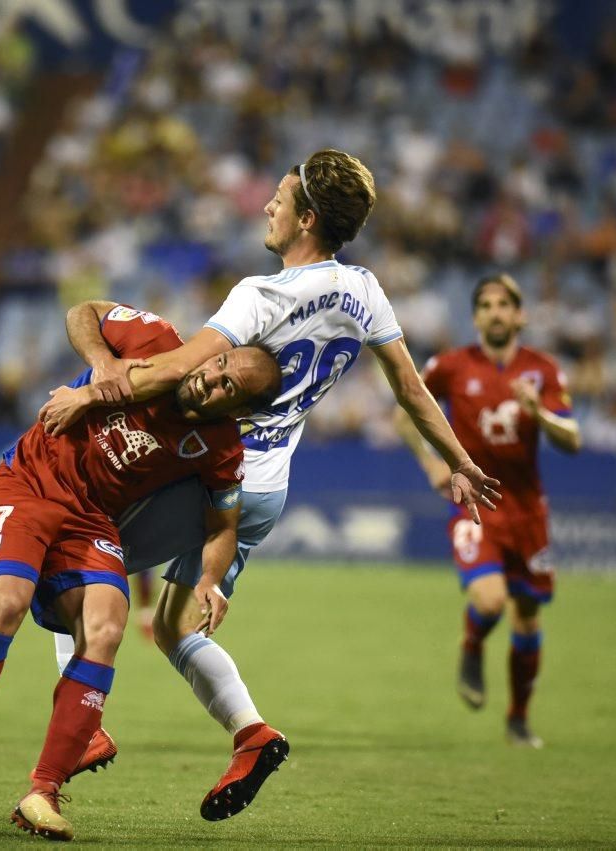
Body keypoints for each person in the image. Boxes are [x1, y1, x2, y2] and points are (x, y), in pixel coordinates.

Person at [38, 149, 502, 820]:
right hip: (269, 490)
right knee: (173, 626)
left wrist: (97, 388)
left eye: (279, 200)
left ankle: (83, 727)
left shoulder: (261, 296)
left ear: (307, 218)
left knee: (66, 560)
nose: (267, 207)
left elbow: (180, 369)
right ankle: (252, 734)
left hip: (211, 475)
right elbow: (409, 388)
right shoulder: (365, 289)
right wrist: (458, 457)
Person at [0, 304, 282, 840]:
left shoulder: (221, 447)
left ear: (241, 409)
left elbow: (222, 527)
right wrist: (101, 362)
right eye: (219, 364)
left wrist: (209, 579)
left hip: (90, 519)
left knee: (107, 628)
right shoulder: (155, 339)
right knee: (7, 601)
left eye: (228, 387)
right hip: (26, 484)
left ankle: (42, 791)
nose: (210, 378)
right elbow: (81, 310)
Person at [395, 273, 581, 747]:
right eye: (486, 305)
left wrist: (539, 412)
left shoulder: (543, 370)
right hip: (475, 506)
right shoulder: (452, 366)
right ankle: (472, 644)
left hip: (528, 512)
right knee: (491, 600)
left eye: (504, 304)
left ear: (519, 315)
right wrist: (431, 463)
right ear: (475, 316)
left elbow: (573, 440)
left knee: (527, 617)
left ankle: (518, 719)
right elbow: (404, 410)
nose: (495, 312)